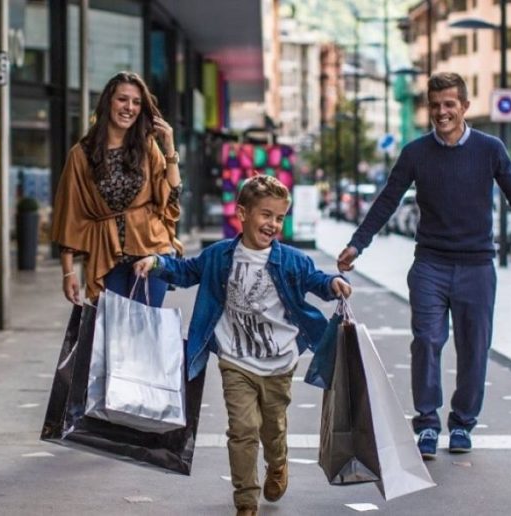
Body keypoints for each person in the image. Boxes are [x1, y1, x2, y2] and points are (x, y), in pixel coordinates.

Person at [337, 72, 511, 460]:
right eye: (435, 105)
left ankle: (462, 422)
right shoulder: (415, 153)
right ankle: (427, 424)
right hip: (430, 263)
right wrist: (356, 244)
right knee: (426, 341)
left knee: (474, 348)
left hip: (477, 266)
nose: (442, 112)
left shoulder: (490, 149)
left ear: (464, 106)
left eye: (449, 104)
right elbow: (387, 200)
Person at [133, 176, 352, 516]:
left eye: (279, 218)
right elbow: (186, 271)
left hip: (279, 361)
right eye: (266, 215)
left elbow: (316, 280)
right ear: (242, 213)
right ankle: (246, 500)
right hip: (236, 360)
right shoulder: (220, 256)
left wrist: (335, 282)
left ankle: (277, 463)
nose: (273, 224)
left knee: (273, 428)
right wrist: (158, 263)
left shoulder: (291, 260)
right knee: (242, 429)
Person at [51, 71, 183, 306]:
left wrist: (169, 148)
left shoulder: (148, 147)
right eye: (122, 99)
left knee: (145, 331)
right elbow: (69, 213)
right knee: (114, 337)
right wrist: (68, 271)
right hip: (106, 255)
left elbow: (171, 195)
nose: (129, 107)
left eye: (136, 102)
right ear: (108, 102)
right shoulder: (80, 155)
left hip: (151, 250)